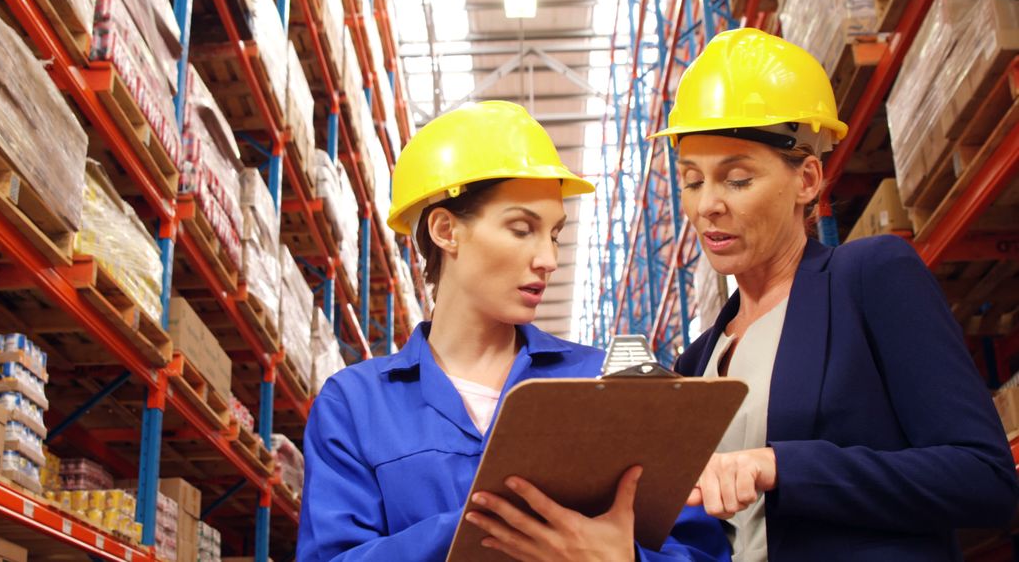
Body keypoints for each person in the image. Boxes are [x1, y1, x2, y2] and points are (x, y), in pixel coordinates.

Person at [298, 101, 731, 561]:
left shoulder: (618, 380)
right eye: (522, 229)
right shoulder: (355, 404)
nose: (548, 259)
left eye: (555, 234)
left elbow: (703, 552)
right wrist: (483, 525)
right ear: (446, 230)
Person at [650, 28, 1019, 561]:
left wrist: (779, 465)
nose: (708, 205)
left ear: (807, 180)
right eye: (691, 180)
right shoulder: (695, 361)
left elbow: (982, 478)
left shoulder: (869, 278)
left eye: (736, 179)